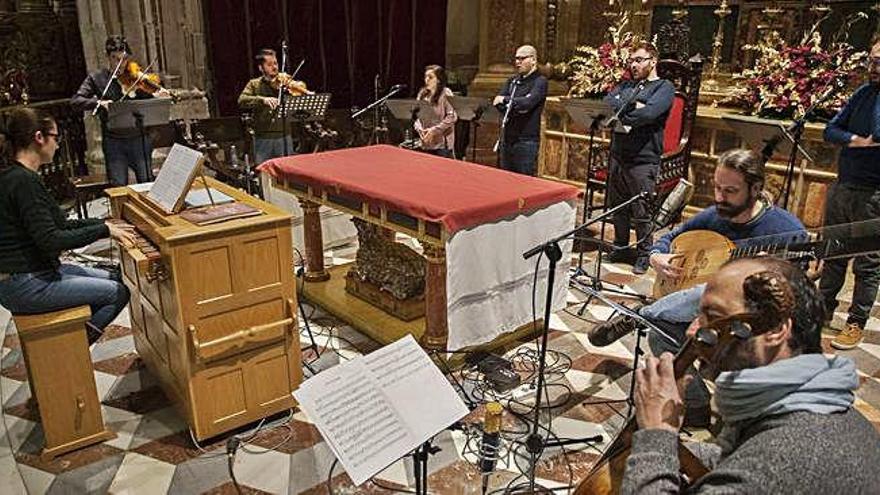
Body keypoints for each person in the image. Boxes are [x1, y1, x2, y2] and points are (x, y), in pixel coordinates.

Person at [622, 257, 880, 494]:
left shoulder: (784, 460)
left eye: (713, 317)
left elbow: (763, 465)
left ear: (776, 330)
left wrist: (657, 434)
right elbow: (741, 455)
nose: (692, 332)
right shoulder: (806, 405)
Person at [588, 149, 806, 424]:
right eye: (716, 187)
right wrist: (657, 257)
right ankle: (697, 405)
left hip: (751, 325)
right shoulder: (714, 216)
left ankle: (642, 313)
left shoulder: (786, 229)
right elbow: (666, 239)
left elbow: (796, 291)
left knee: (716, 287)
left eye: (730, 190)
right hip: (702, 317)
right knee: (659, 335)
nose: (719, 198)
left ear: (756, 188)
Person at [0, 108, 137, 344]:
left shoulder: (19, 176)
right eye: (55, 137)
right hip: (25, 283)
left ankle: (71, 339)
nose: (58, 144)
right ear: (39, 138)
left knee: (117, 276)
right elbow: (52, 239)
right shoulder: (23, 182)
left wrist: (104, 222)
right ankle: (70, 351)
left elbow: (61, 223)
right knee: (117, 292)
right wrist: (103, 231)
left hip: (33, 274)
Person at [819, 38, 880, 350]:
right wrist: (855, 139)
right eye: (872, 60)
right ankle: (822, 309)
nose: (873, 67)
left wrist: (866, 140)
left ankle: (855, 322)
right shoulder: (863, 93)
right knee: (832, 252)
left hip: (875, 192)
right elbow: (830, 129)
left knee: (868, 263)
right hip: (845, 183)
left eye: (879, 61)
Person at [603, 42, 675, 274]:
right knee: (618, 205)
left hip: (643, 157)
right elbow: (608, 104)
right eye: (631, 60)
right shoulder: (626, 85)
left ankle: (645, 253)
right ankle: (621, 246)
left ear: (653, 61)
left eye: (639, 60)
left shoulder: (664, 87)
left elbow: (649, 113)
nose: (633, 64)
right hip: (619, 153)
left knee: (641, 209)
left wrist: (627, 109)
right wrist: (633, 104)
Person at [71, 35, 169, 186]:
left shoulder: (136, 77)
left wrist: (158, 95)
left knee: (147, 183)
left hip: (139, 139)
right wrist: (99, 102)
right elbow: (76, 101)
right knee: (118, 185)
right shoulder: (97, 78)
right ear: (107, 57)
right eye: (115, 59)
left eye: (124, 59)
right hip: (113, 142)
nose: (121, 64)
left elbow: (149, 97)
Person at [492, 45, 547, 176]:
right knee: (505, 178)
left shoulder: (540, 81)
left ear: (533, 60)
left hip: (526, 140)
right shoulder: (512, 81)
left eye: (522, 59)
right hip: (508, 138)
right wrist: (516, 105)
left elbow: (528, 103)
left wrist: (506, 100)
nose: (517, 62)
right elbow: (496, 103)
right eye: (516, 59)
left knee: (524, 180)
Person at [238, 48, 298, 165]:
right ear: (261, 68)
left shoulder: (285, 82)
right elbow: (242, 100)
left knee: (287, 171)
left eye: (275, 63)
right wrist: (262, 100)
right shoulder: (254, 84)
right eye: (269, 64)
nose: (274, 67)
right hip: (263, 137)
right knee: (265, 173)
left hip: (284, 136)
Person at [414, 65, 457, 158]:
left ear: (438, 80)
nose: (427, 80)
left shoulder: (446, 93)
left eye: (430, 77)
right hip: (427, 142)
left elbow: (452, 117)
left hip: (442, 144)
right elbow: (417, 116)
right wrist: (420, 129)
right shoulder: (422, 94)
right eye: (426, 77)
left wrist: (434, 131)